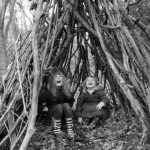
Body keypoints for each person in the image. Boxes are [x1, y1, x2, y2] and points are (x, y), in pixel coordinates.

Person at [38, 68, 75, 138]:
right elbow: (37, 103)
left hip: (64, 115)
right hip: (52, 114)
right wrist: (43, 108)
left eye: (60, 76)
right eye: (55, 77)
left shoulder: (65, 90)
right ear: (51, 80)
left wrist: (66, 108)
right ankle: (57, 129)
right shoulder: (48, 92)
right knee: (59, 106)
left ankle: (70, 129)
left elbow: (71, 100)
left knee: (66, 105)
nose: (58, 78)